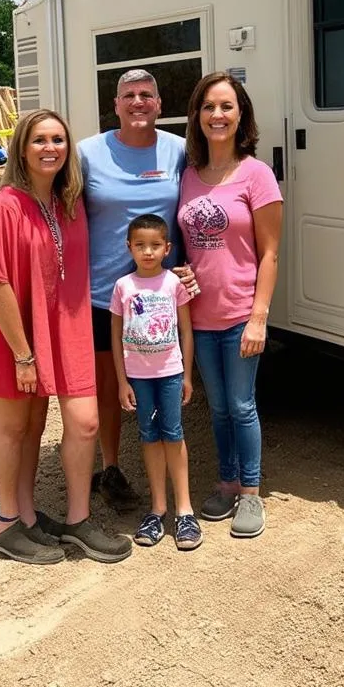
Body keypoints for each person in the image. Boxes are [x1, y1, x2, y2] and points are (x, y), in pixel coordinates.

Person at [0, 108, 132, 565]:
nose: (50, 148)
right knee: (13, 427)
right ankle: (7, 523)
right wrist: (23, 355)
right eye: (39, 140)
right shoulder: (5, 205)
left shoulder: (64, 201)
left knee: (57, 424)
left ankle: (46, 518)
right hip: (9, 334)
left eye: (58, 139)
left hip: (52, 328)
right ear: (21, 148)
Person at [78, 69, 198, 513]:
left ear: (159, 103)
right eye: (129, 95)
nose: (138, 102)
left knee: (166, 379)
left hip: (163, 295)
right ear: (116, 105)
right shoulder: (89, 152)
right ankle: (110, 468)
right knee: (110, 388)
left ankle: (173, 479)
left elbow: (195, 209)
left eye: (146, 94)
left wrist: (192, 267)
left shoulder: (179, 150)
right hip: (102, 293)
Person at [178, 72, 283, 540]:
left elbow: (270, 253)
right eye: (208, 107)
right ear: (197, 117)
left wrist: (259, 316)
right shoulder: (188, 177)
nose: (217, 115)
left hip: (242, 313)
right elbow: (184, 246)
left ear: (241, 116)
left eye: (226, 107)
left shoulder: (256, 174)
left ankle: (252, 494)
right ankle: (226, 482)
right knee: (217, 407)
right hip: (199, 317)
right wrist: (179, 270)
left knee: (242, 406)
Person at [110, 214, 201, 551]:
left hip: (170, 374)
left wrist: (188, 375)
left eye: (155, 245)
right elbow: (117, 336)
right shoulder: (123, 287)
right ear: (129, 247)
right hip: (139, 378)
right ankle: (157, 509)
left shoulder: (173, 285)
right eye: (140, 245)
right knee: (149, 437)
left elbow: (186, 330)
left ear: (167, 248)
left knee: (173, 435)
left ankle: (185, 511)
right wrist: (122, 381)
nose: (147, 252)